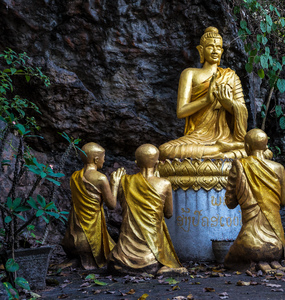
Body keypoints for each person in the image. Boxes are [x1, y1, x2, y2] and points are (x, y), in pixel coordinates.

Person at [159, 26, 248, 160]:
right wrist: (206, 100)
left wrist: (228, 103)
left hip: (227, 138)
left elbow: (243, 112)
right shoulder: (190, 73)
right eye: (210, 47)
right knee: (164, 150)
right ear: (201, 50)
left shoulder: (231, 76)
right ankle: (219, 150)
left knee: (255, 148)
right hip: (197, 138)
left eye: (218, 48)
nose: (215, 51)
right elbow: (181, 112)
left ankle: (221, 151)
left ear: (222, 51)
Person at [108, 144, 186, 275]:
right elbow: (168, 214)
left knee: (113, 257)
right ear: (157, 162)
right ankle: (161, 268)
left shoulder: (124, 181)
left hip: (119, 260)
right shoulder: (164, 183)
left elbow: (113, 204)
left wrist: (114, 185)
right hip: (149, 260)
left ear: (136, 162)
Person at [224, 129, 285, 273]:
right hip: (276, 246)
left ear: (246, 147)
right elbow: (284, 200)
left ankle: (254, 263)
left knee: (229, 260)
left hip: (250, 244)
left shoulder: (239, 165)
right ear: (266, 146)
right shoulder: (279, 168)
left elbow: (230, 203)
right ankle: (271, 262)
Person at [62, 142, 125, 269]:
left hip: (71, 238)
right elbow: (112, 205)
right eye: (103, 157)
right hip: (90, 240)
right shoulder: (100, 178)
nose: (104, 160)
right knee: (120, 255)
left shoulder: (74, 177)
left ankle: (77, 260)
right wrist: (115, 184)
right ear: (96, 159)